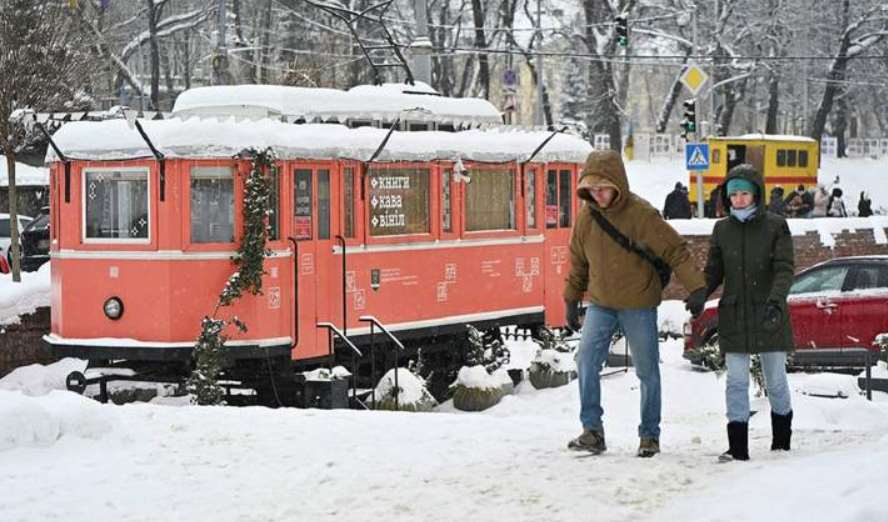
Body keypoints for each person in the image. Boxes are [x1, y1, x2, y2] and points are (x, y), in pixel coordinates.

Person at [563, 150, 707, 458]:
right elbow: (578, 263)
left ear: (618, 184)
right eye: (592, 189)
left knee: (647, 371)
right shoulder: (587, 218)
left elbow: (676, 251)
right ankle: (592, 430)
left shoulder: (642, 214)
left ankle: (649, 435)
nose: (597, 195)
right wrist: (571, 300)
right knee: (586, 361)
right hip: (601, 303)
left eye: (603, 188)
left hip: (638, 303)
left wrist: (697, 288)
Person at [701, 164, 795, 462]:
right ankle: (737, 447)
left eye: (744, 193)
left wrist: (775, 301)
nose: (738, 200)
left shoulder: (775, 225)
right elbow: (713, 271)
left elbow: (784, 268)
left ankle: (781, 442)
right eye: (733, 195)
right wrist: (698, 293)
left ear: (756, 194)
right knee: (736, 381)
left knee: (775, 380)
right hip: (735, 314)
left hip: (769, 311)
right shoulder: (722, 229)